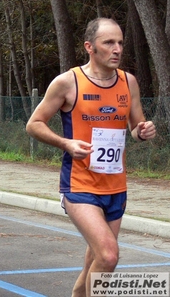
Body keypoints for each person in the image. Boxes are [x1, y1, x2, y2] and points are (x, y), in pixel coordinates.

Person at [26, 18, 156, 297]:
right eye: (109, 42)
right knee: (108, 256)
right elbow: (34, 124)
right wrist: (66, 143)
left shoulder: (128, 82)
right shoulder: (68, 82)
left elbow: (135, 128)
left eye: (120, 42)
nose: (117, 49)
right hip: (80, 184)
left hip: (115, 186)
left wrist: (143, 131)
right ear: (90, 47)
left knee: (94, 260)